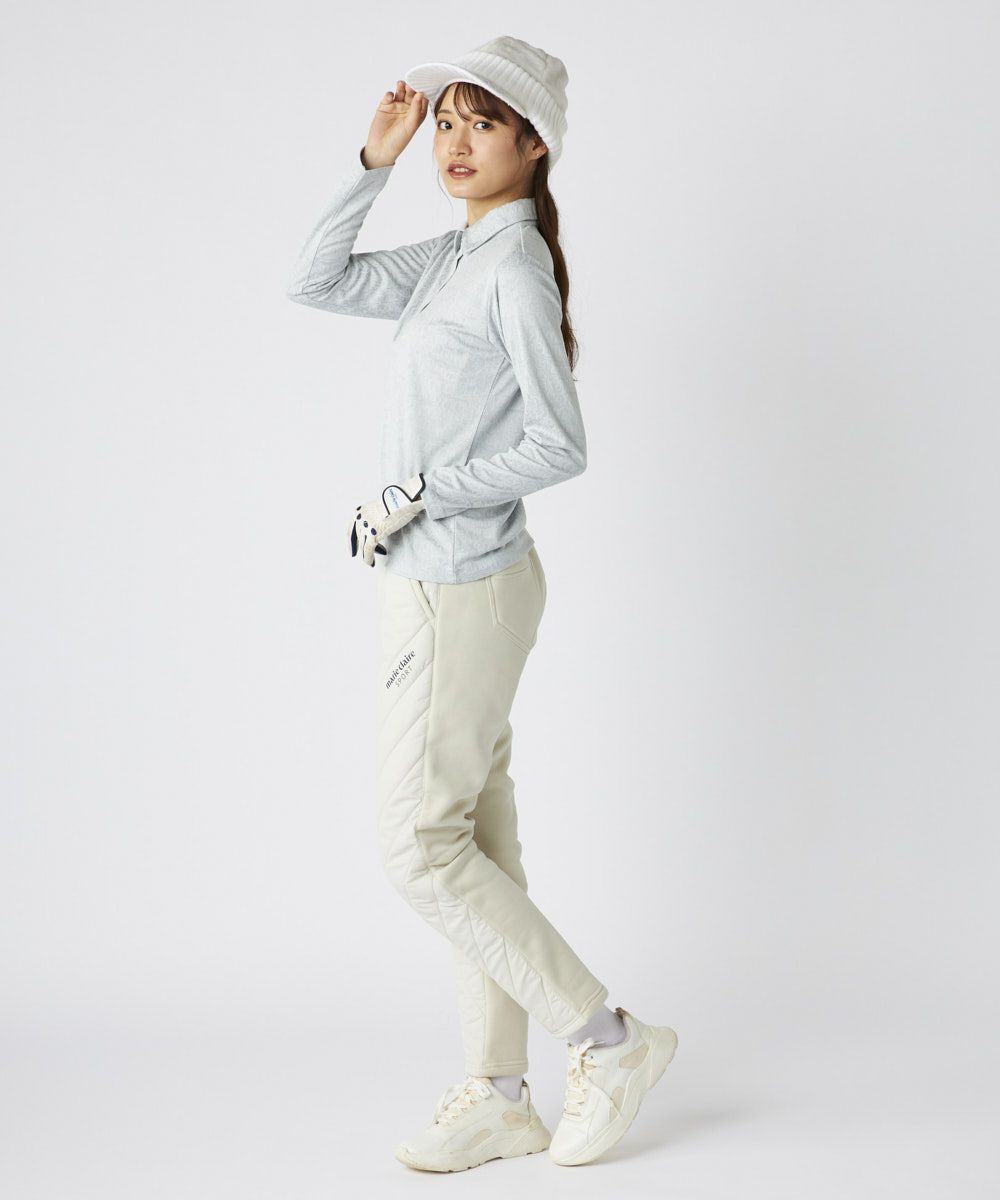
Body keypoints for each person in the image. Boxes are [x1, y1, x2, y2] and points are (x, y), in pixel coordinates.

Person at [287, 35, 677, 1173]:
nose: (454, 142)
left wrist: (419, 492)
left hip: (462, 584)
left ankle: (608, 1041)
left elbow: (561, 443)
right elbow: (315, 280)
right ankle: (502, 1095)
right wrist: (372, 160)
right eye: (447, 122)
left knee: (419, 847)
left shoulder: (512, 270)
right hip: (436, 583)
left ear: (534, 144)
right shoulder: (455, 256)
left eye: (481, 123)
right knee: (475, 848)